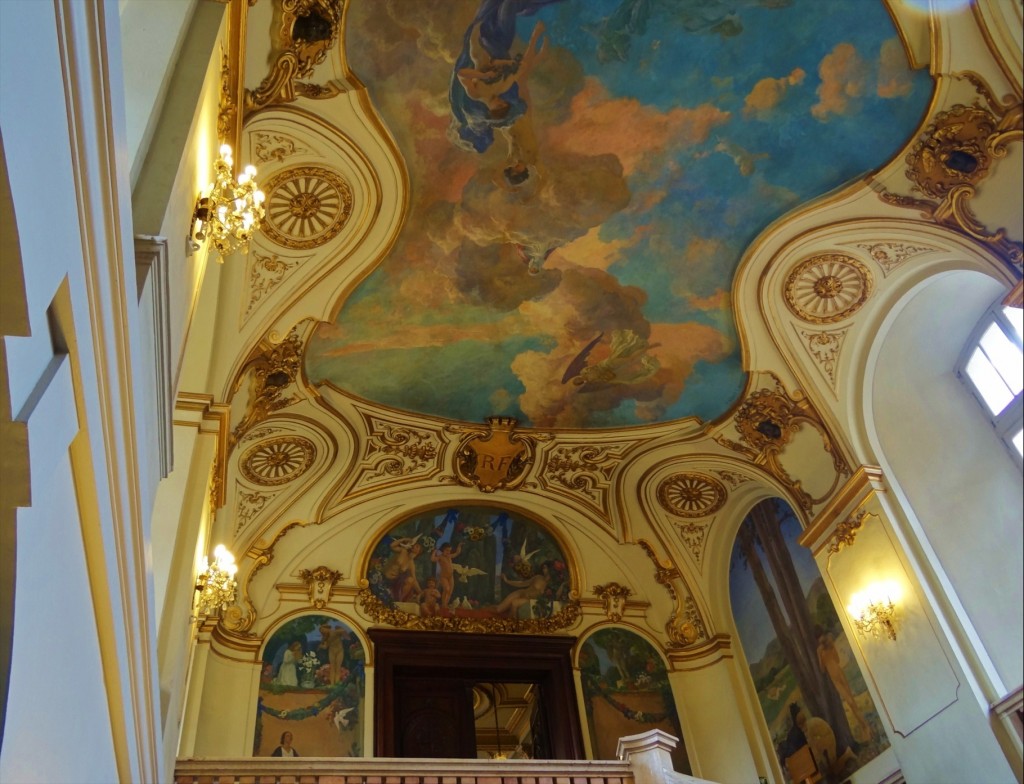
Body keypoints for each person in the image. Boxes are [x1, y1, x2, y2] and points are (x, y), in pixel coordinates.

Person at [816, 629, 873, 739]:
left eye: (822, 636)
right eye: (819, 638)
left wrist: (831, 647)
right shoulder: (820, 651)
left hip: (840, 674)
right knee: (850, 703)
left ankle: (866, 727)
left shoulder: (829, 644)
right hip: (835, 679)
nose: (821, 639)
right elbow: (822, 670)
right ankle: (865, 727)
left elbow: (837, 659)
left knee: (852, 702)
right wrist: (820, 655)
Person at [382, 536, 425, 603]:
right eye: (414, 545)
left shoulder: (411, 564)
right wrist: (404, 539)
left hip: (395, 582)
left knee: (410, 580)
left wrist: (421, 592)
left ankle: (399, 600)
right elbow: (392, 545)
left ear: (419, 552)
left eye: (417, 546)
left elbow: (414, 580)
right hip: (387, 577)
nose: (414, 546)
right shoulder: (403, 551)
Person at [431, 541, 464, 611]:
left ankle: (445, 605)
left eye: (449, 550)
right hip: (444, 577)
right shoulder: (440, 557)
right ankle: (443, 604)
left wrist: (459, 546)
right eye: (447, 550)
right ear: (442, 550)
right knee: (446, 589)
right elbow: (433, 559)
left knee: (450, 591)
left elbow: (457, 553)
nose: (448, 552)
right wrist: (434, 551)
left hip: (450, 577)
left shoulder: (449, 556)